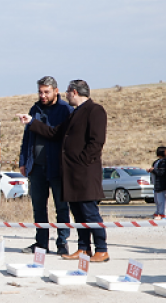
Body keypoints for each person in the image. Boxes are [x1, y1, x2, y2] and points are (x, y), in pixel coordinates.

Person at [17, 80, 110, 262]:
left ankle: (101, 249)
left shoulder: (95, 110)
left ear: (74, 92)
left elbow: (96, 142)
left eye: (67, 92)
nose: (66, 95)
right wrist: (32, 122)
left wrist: (80, 162)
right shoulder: (75, 113)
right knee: (78, 214)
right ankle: (83, 248)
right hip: (72, 174)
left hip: (84, 173)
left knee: (90, 213)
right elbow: (54, 133)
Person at [18, 76, 73, 255]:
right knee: (39, 207)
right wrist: (23, 161)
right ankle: (41, 243)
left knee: (61, 207)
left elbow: (57, 135)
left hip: (57, 168)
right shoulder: (35, 109)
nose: (42, 95)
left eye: (46, 92)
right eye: (40, 92)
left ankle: (62, 242)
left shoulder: (65, 110)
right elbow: (27, 138)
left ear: (56, 91)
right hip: (36, 168)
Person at [147, 146, 166, 220]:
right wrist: (151, 170)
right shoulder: (157, 161)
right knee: (157, 199)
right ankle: (158, 212)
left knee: (161, 199)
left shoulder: (164, 162)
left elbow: (161, 172)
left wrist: (153, 170)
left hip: (161, 182)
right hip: (156, 182)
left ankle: (162, 213)